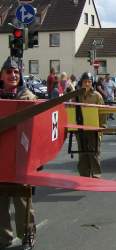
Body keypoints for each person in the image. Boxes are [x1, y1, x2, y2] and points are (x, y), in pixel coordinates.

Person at [0, 57, 37, 249]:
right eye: (8, 72)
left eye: (16, 72)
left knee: (22, 199)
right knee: (1, 200)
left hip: (21, 155)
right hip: (0, 155)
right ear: (2, 75)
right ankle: (3, 237)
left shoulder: (27, 97)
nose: (13, 75)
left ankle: (27, 234)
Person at [76, 72, 105, 177]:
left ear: (92, 83)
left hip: (94, 129)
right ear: (81, 83)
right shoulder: (76, 95)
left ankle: (96, 175)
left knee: (94, 152)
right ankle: (84, 175)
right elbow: (71, 109)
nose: (87, 84)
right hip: (80, 129)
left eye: (89, 82)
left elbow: (103, 113)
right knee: (82, 153)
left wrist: (101, 128)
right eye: (85, 82)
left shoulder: (97, 96)